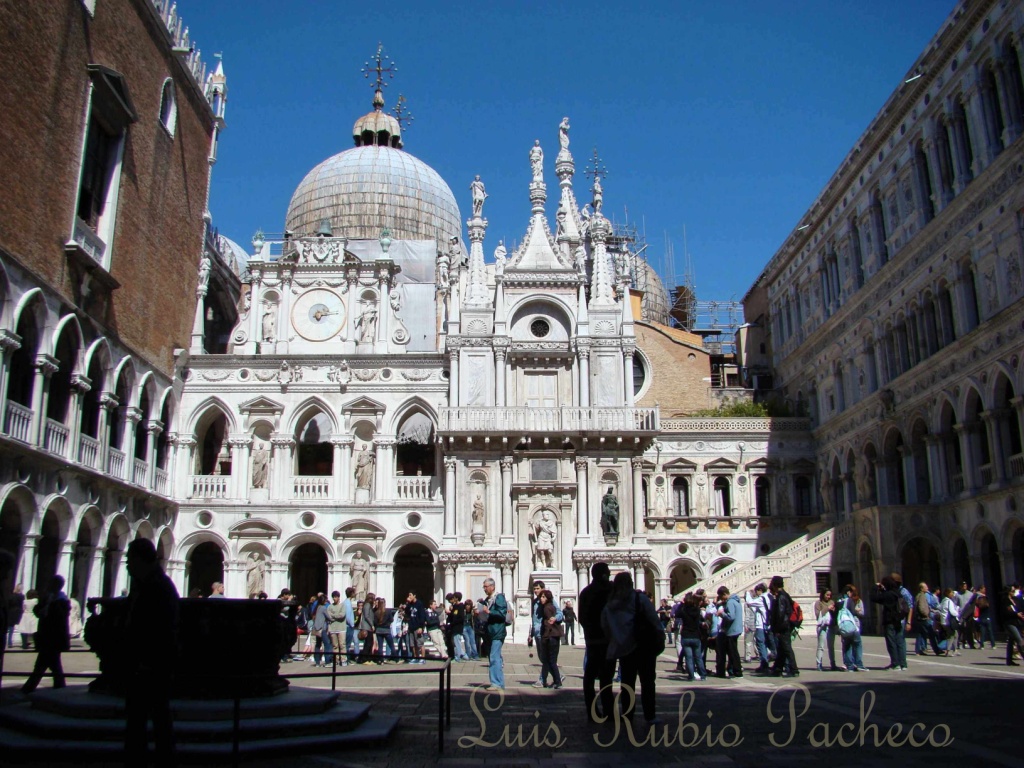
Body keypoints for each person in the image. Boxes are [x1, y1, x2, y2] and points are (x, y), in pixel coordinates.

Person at [123, 538, 180, 766]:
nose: (127, 565)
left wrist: (146, 660)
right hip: (146, 663)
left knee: (153, 717)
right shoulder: (146, 584)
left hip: (151, 665)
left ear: (140, 560)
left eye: (130, 560)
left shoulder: (157, 586)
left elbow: (161, 627)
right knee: (147, 718)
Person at [601, 572, 662, 724]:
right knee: (648, 682)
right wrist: (660, 637)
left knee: (627, 683)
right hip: (643, 646)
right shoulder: (639, 599)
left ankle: (628, 714)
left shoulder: (610, 604)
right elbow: (653, 619)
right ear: (631, 583)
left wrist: (616, 639)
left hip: (625, 648)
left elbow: (605, 626)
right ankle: (650, 715)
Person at [21, 575, 71, 693]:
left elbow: (58, 618)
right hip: (47, 637)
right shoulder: (49, 599)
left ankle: (29, 688)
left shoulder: (62, 601)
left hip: (53, 637)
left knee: (43, 665)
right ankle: (59, 686)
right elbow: (38, 611)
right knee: (52, 664)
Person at [579, 562, 615, 723]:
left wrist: (588, 633)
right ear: (603, 574)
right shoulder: (609, 591)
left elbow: (582, 618)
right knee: (606, 678)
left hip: (592, 640)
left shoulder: (586, 592)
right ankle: (608, 711)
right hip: (606, 640)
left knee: (590, 676)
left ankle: (592, 711)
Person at [871, 575, 908, 670]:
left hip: (890, 621)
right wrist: (883, 590)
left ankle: (895, 663)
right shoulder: (897, 593)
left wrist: (875, 587)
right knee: (900, 642)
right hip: (898, 620)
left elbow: (874, 598)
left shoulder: (888, 594)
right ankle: (903, 664)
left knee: (891, 642)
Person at [480, 577, 508, 691]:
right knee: (494, 657)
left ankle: (496, 683)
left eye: (486, 587)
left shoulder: (499, 597)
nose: (485, 589)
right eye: (484, 587)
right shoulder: (488, 599)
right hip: (491, 632)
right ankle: (499, 683)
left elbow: (502, 613)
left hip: (497, 631)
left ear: (492, 587)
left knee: (494, 657)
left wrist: (489, 611)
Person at [768, 575, 798, 677]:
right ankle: (777, 669)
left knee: (786, 648)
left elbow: (780, 614)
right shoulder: (785, 595)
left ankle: (794, 670)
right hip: (786, 625)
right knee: (781, 648)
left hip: (783, 626)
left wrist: (777, 628)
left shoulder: (781, 597)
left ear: (775, 585)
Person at [536, 589, 564, 688]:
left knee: (550, 660)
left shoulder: (546, 608)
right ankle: (557, 680)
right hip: (555, 636)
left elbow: (548, 624)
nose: (541, 599)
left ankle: (558, 681)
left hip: (550, 637)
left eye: (544, 597)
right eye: (541, 597)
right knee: (551, 660)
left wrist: (544, 637)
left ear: (548, 598)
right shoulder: (552, 606)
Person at [676, 592, 706, 681]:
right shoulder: (697, 610)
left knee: (689, 658)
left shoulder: (683, 610)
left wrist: (681, 604)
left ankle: (691, 676)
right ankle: (703, 675)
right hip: (696, 635)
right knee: (698, 657)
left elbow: (676, 614)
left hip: (686, 635)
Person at [716, 586, 743, 678]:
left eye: (721, 597)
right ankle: (734, 670)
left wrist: (721, 614)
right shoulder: (736, 601)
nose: (721, 599)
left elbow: (731, 617)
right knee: (733, 651)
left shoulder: (730, 602)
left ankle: (737, 671)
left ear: (724, 594)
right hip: (737, 628)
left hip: (732, 630)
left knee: (733, 652)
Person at [838, 584, 867, 672]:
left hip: (843, 627)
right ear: (848, 592)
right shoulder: (849, 600)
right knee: (857, 644)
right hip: (852, 626)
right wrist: (856, 610)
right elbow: (852, 612)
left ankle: (849, 665)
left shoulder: (840, 601)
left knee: (846, 645)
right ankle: (858, 664)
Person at [745, 584, 771, 673]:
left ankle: (764, 664)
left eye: (756, 591)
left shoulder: (761, 598)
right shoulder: (769, 597)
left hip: (761, 625)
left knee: (761, 644)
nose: (756, 593)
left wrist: (748, 593)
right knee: (769, 644)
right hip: (769, 625)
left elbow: (749, 602)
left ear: (760, 590)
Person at [814, 588, 834, 672]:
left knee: (831, 646)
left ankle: (833, 663)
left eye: (830, 595)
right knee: (821, 646)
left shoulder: (832, 602)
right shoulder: (818, 603)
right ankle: (819, 663)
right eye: (827, 595)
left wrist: (834, 610)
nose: (828, 597)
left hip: (831, 626)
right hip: (822, 626)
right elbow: (818, 614)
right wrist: (827, 608)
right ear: (823, 594)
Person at [327, 591, 349, 667]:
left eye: (335, 597)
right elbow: (328, 616)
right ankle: (336, 660)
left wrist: (333, 615)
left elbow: (342, 615)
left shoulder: (343, 605)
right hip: (332, 629)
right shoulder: (330, 606)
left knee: (342, 645)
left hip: (341, 628)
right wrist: (335, 616)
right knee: (335, 646)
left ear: (339, 597)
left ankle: (343, 660)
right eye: (333, 597)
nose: (334, 598)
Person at [405, 591, 427, 664]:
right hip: (411, 626)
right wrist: (407, 603)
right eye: (409, 595)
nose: (409, 596)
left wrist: (421, 627)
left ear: (414, 595)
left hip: (418, 626)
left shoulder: (419, 604)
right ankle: (415, 657)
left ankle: (423, 658)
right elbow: (407, 613)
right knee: (412, 644)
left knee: (420, 643)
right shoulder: (410, 604)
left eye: (410, 595)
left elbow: (422, 616)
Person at [938, 587, 961, 657]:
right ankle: (948, 651)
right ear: (948, 593)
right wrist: (957, 612)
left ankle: (955, 649)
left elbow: (939, 607)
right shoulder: (949, 601)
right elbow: (952, 612)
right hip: (948, 621)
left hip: (943, 621)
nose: (953, 594)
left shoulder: (943, 601)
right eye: (951, 593)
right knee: (951, 636)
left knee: (955, 634)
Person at [358, 592, 378, 663]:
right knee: (368, 643)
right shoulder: (367, 605)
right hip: (367, 627)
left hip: (368, 627)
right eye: (373, 598)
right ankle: (364, 658)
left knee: (369, 643)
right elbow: (366, 616)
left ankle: (367, 658)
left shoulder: (369, 605)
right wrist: (372, 624)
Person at [974, 585, 996, 650]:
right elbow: (988, 606)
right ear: (980, 589)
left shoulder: (978, 599)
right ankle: (993, 645)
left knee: (982, 632)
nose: (985, 590)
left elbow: (976, 605)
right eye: (984, 589)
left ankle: (982, 645)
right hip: (987, 617)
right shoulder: (985, 598)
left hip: (981, 617)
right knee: (990, 631)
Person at [447, 593, 468, 661]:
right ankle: (464, 655)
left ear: (457, 598)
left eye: (454, 597)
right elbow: (452, 616)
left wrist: (453, 622)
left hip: (458, 627)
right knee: (455, 643)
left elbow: (461, 618)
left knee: (457, 642)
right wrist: (450, 611)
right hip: (454, 627)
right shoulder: (455, 606)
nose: (453, 599)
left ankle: (458, 657)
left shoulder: (461, 606)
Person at [6, 583, 24, 650]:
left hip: (11, 612)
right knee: (22, 626)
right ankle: (24, 642)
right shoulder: (21, 596)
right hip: (18, 612)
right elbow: (22, 605)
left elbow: (9, 604)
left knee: (11, 628)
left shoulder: (11, 596)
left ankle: (9, 642)